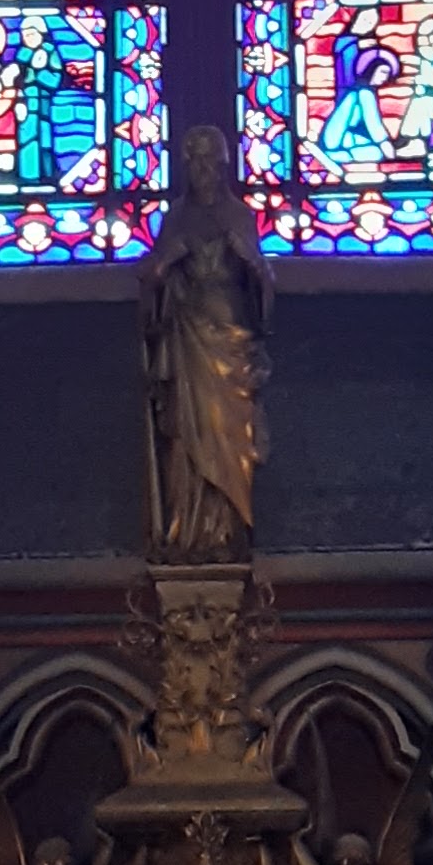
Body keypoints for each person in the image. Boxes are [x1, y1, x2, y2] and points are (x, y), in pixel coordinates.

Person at [137, 123, 268, 553]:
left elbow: (262, 284)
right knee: (186, 434)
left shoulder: (240, 216)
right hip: (187, 335)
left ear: (224, 164)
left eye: (210, 159)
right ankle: (190, 528)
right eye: (194, 161)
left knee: (227, 432)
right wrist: (166, 263)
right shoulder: (175, 217)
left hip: (229, 334)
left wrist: (249, 261)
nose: (203, 169)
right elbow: (150, 280)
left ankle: (225, 528)